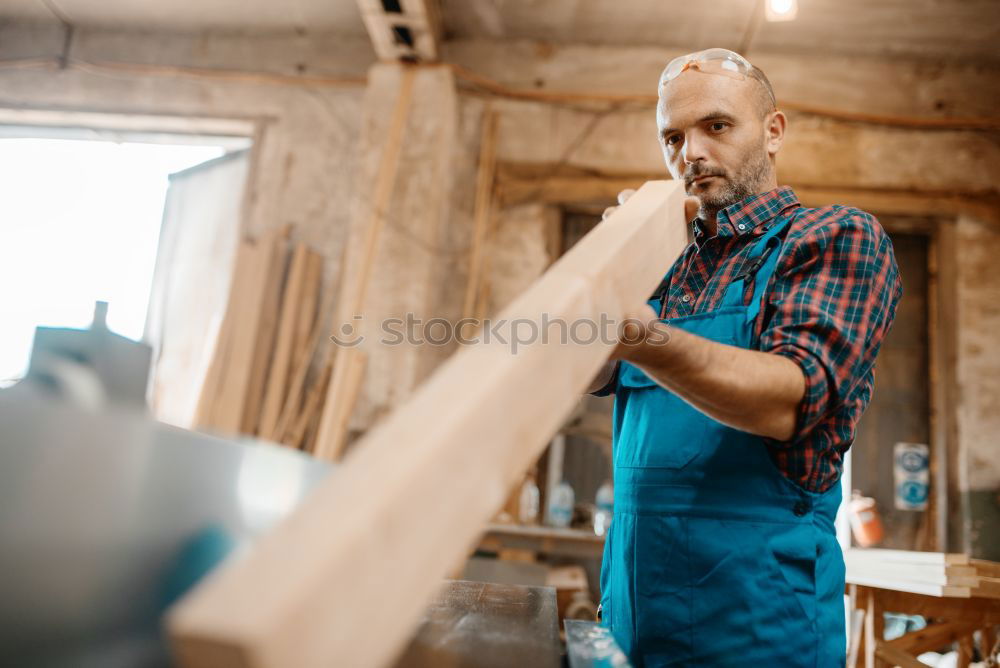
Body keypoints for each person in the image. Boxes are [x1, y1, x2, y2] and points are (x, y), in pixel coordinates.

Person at [588, 48, 902, 667]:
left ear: (773, 130)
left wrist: (641, 336)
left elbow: (790, 399)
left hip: (756, 623)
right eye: (672, 137)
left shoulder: (832, 237)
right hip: (633, 611)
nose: (692, 153)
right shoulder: (665, 266)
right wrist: (610, 269)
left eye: (717, 126)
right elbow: (586, 375)